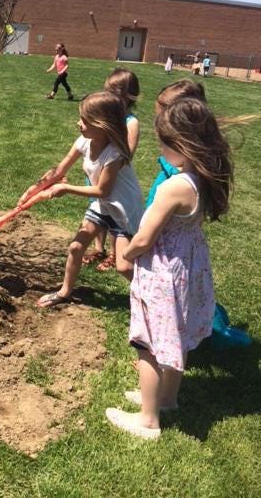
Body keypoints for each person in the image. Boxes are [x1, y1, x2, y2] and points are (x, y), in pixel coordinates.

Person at [106, 98, 233, 440]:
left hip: (161, 272)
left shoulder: (173, 187)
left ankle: (147, 420)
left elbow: (145, 238)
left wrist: (127, 253)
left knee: (147, 343)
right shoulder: (200, 179)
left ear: (183, 143)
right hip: (186, 268)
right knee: (177, 336)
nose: (160, 149)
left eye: (164, 142)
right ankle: (167, 399)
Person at [18, 91, 144, 308]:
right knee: (76, 248)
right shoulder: (84, 141)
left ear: (103, 125)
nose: (79, 123)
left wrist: (66, 188)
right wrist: (35, 188)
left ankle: (156, 296)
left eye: (85, 120)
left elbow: (103, 190)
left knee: (124, 266)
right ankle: (65, 292)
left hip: (123, 208)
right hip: (102, 206)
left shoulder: (114, 154)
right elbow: (59, 170)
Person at [83, 68, 140, 271]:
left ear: (129, 95)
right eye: (108, 90)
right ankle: (99, 248)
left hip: (112, 178)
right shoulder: (105, 116)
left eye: (116, 92)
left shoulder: (130, 122)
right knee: (97, 208)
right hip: (96, 175)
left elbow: (127, 153)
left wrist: (109, 167)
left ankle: (115, 253)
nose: (111, 96)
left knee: (115, 214)